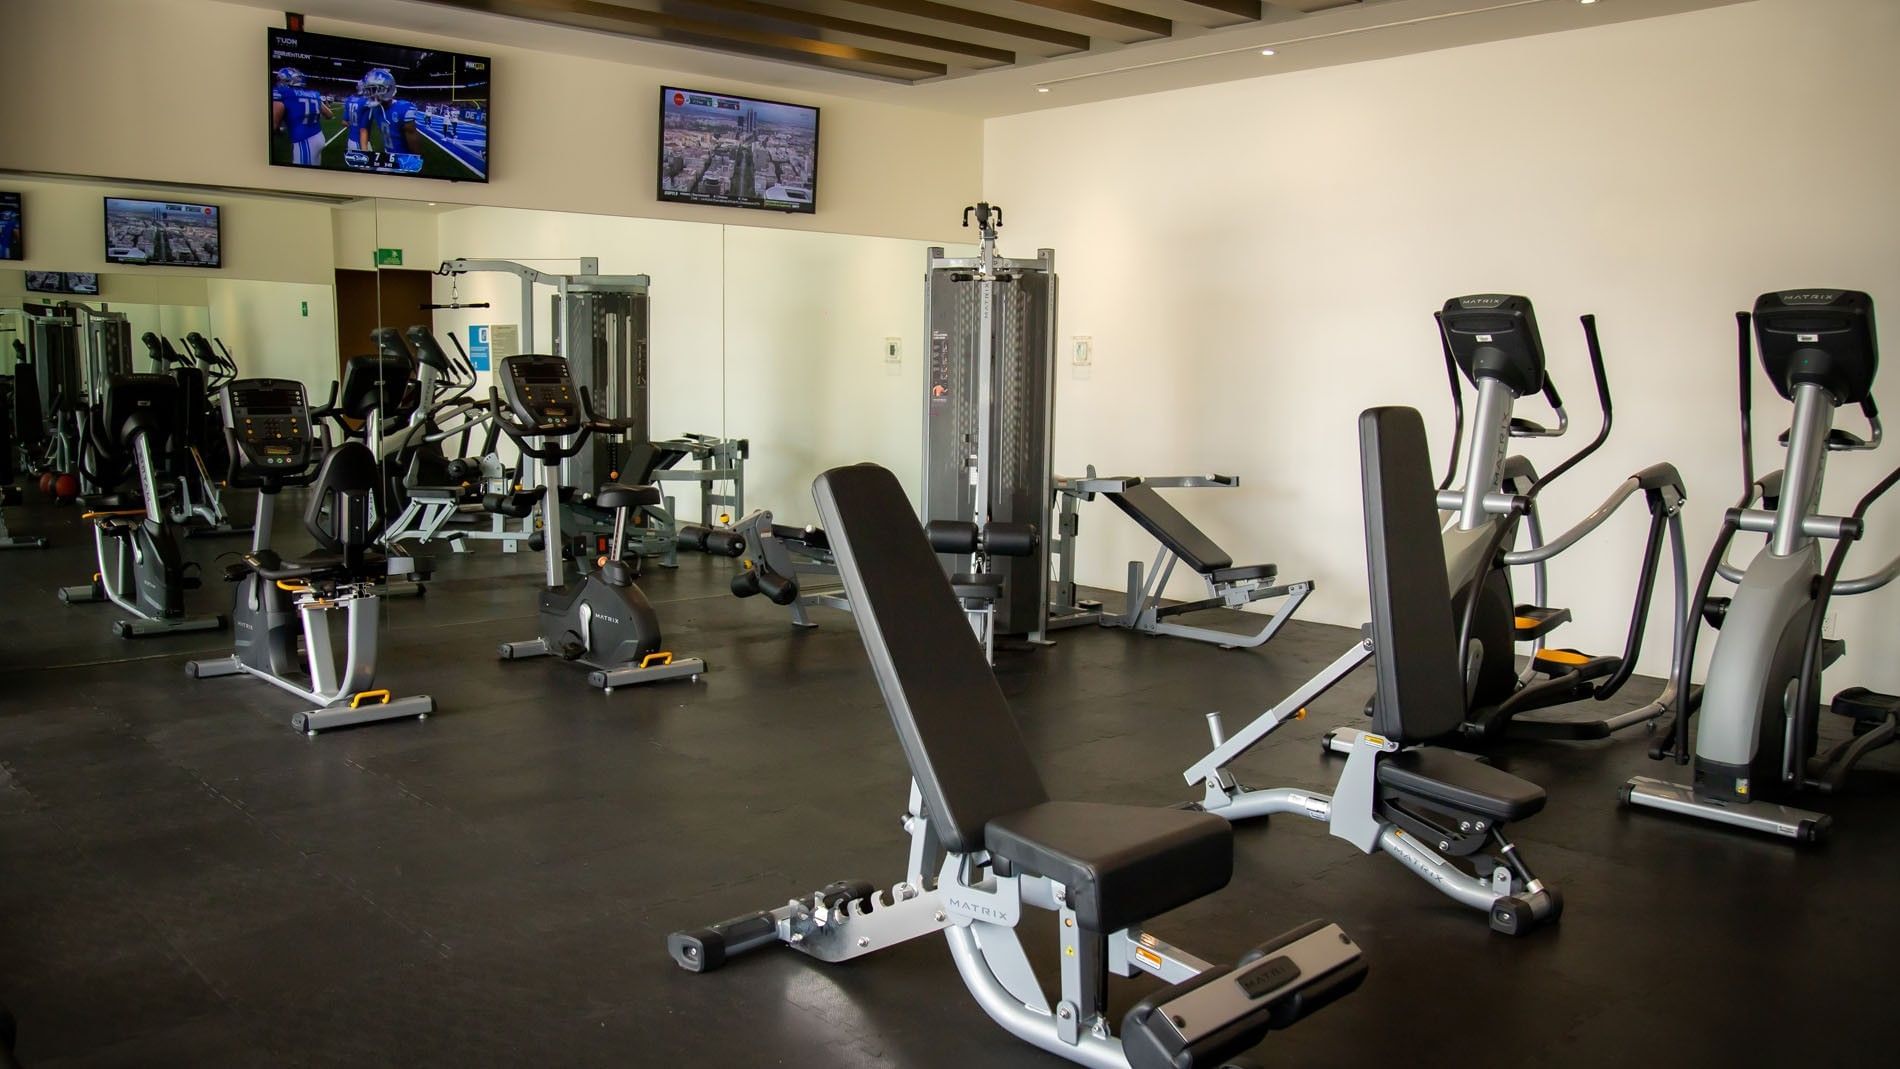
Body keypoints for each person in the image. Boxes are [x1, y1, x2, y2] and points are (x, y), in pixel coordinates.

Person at [359, 68, 427, 159]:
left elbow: (415, 149)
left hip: (404, 159)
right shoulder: (375, 108)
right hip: (387, 155)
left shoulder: (402, 109)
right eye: (371, 90)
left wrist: (415, 161)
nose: (372, 94)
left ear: (389, 89)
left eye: (376, 90)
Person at [271, 67, 332, 166]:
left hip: (304, 140)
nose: (279, 83)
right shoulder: (314, 94)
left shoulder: (282, 93)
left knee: (302, 177)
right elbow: (329, 115)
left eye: (282, 80)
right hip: (319, 136)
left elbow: (273, 124)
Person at [344, 80, 375, 151]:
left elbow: (344, 122)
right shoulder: (367, 102)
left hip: (351, 140)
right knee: (367, 161)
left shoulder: (350, 99)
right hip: (360, 142)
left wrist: (353, 126)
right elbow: (363, 130)